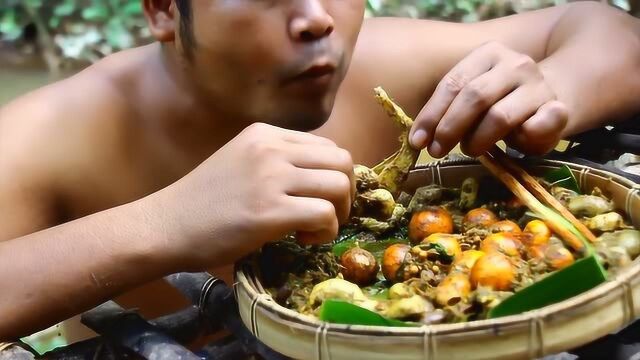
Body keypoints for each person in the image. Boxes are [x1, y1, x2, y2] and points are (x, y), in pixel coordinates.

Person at [0, 0, 639, 341]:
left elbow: (606, 29)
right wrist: (162, 223)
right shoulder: (53, 135)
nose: (318, 18)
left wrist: (553, 87)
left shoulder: (383, 65)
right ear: (166, 6)